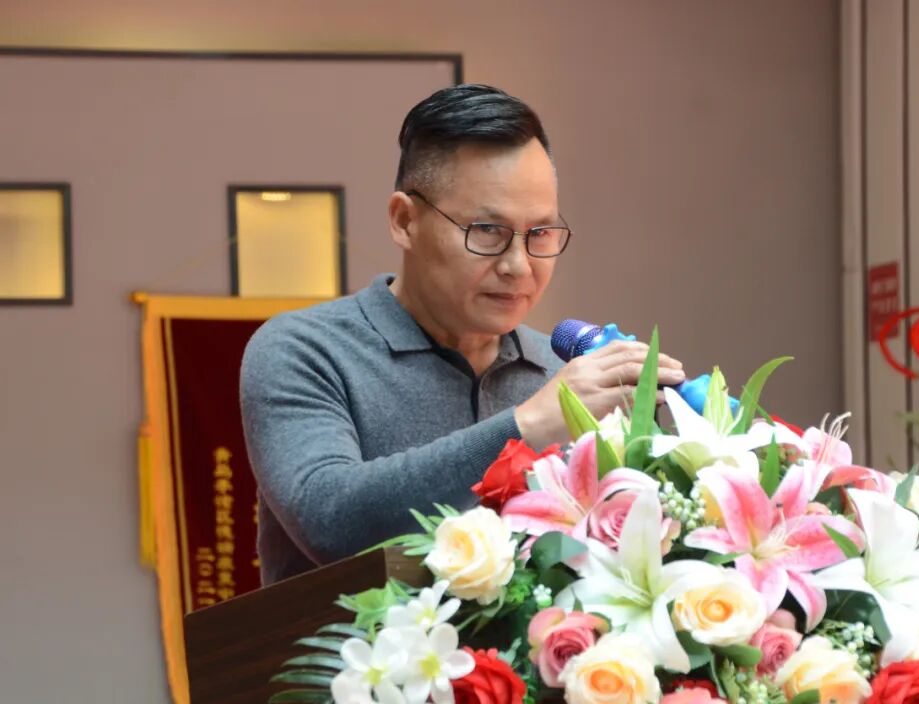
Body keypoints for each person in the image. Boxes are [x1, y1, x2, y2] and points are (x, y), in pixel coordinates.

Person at [240, 84, 685, 585]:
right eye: (487, 231)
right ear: (405, 221)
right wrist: (527, 426)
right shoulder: (305, 350)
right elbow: (331, 522)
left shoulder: (560, 373)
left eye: (540, 234)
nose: (519, 266)